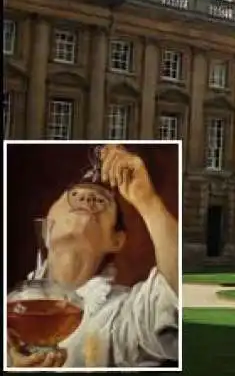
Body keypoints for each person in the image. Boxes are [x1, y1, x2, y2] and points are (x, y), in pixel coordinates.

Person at [6, 144, 180, 369]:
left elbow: (177, 296)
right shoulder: (12, 306)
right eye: (75, 195)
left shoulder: (122, 317)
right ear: (48, 221)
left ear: (116, 240)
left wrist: (146, 199)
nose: (87, 198)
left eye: (100, 200)